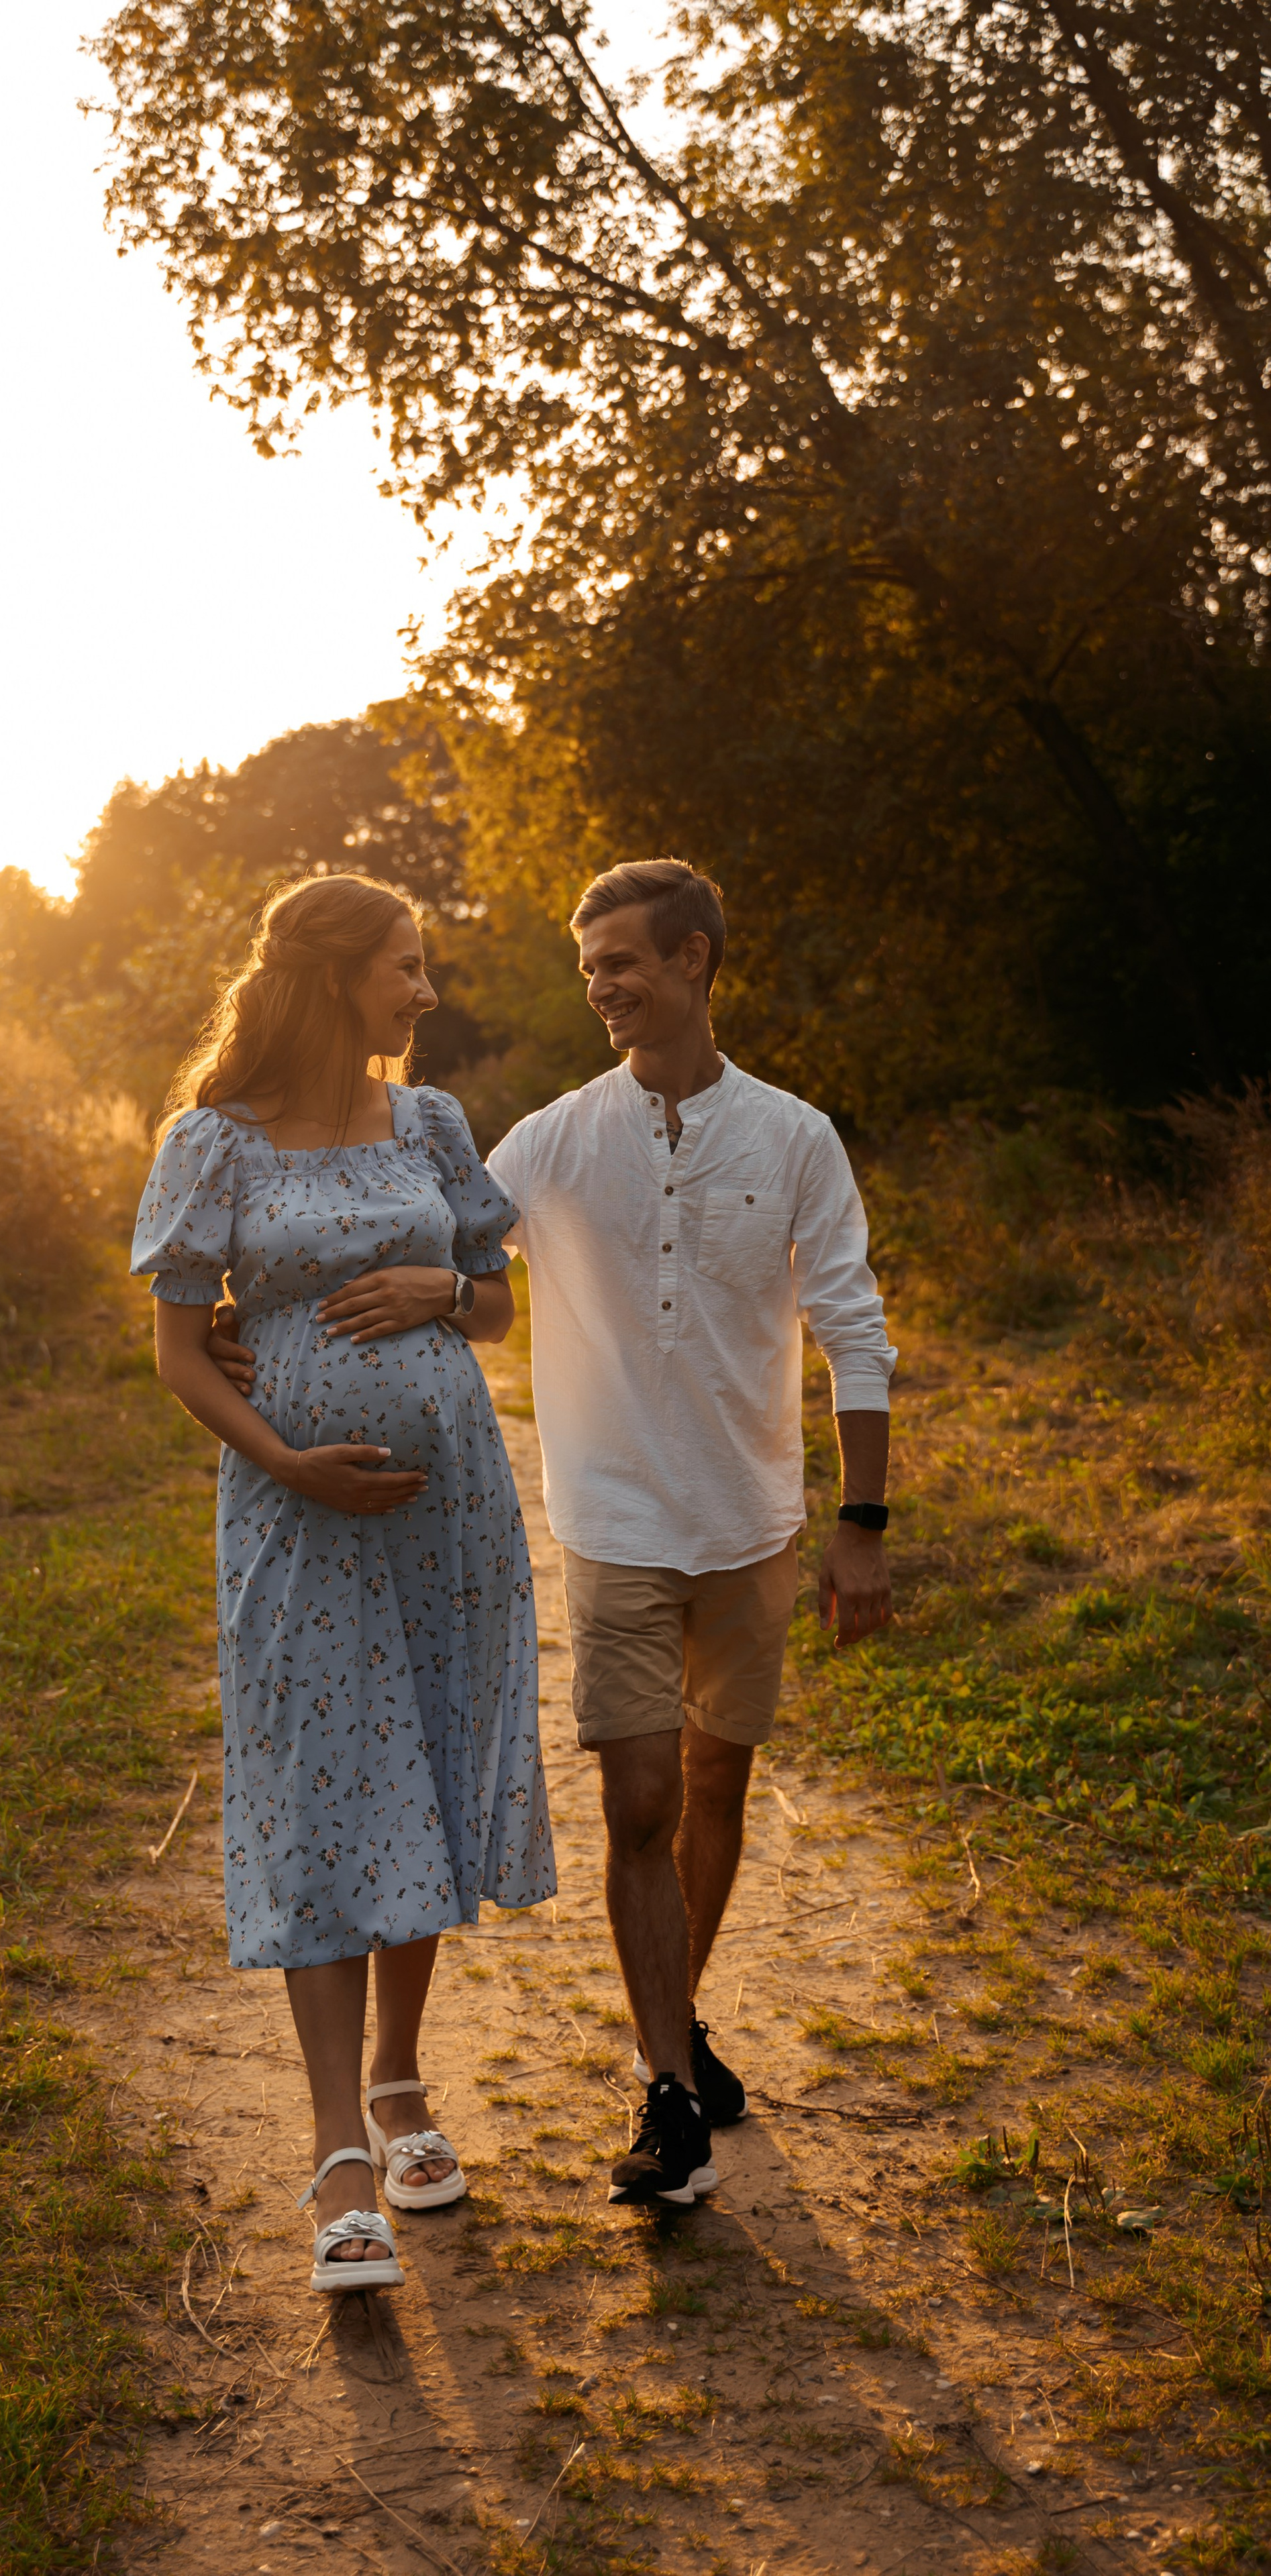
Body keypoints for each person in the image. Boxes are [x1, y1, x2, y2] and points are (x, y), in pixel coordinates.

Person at [132, 871, 553, 2296]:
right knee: (323, 1789)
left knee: (420, 1761)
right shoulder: (214, 1143)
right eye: (404, 966)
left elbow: (495, 1304)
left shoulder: (429, 1122)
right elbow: (178, 1352)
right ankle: (336, 2161)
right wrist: (286, 1462)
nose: (425, 991)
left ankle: (398, 2083)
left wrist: (445, 1293)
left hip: (450, 1514)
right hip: (294, 1519)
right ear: (330, 976)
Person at [485, 860, 897, 2208]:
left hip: (749, 1525)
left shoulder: (793, 1139)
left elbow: (852, 1328)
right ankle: (669, 2092)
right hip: (612, 1522)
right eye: (588, 966)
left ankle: (672, 2027)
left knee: (717, 1785)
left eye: (620, 961)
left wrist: (860, 1523)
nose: (599, 986)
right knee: (641, 1801)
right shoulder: (549, 1142)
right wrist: (255, 1307)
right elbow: (447, 1248)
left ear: (693, 959)